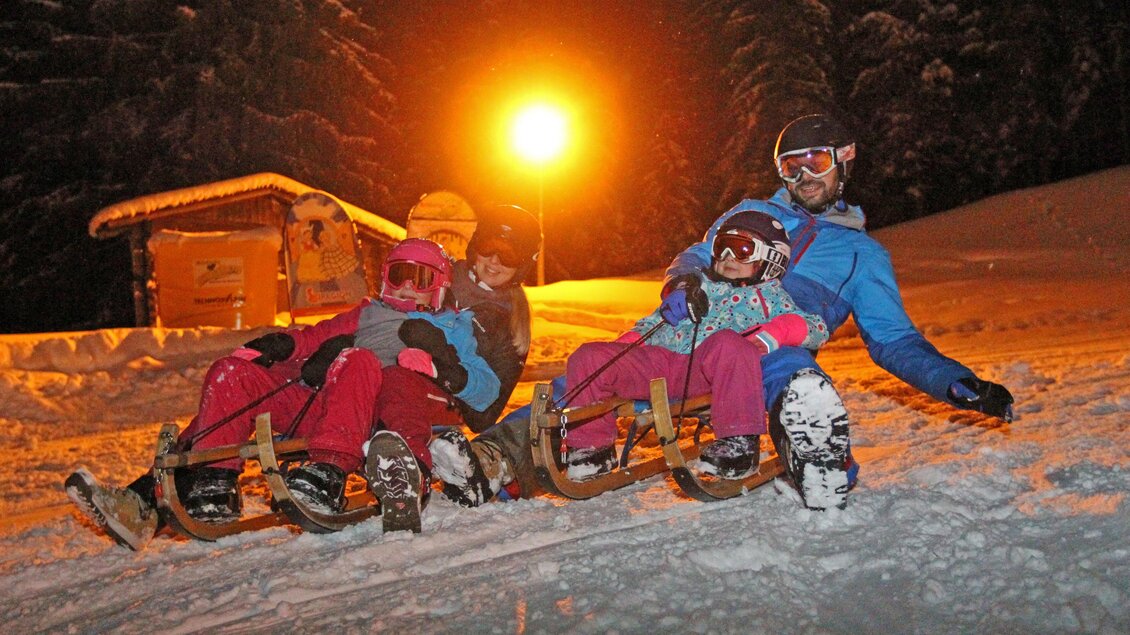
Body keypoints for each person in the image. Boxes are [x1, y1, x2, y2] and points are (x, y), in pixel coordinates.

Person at [660, 113, 1015, 509]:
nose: (805, 176)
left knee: (793, 369)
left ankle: (822, 459)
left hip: (771, 350)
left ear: (844, 161)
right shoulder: (752, 212)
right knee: (607, 363)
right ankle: (580, 428)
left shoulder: (862, 256)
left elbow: (892, 339)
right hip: (695, 337)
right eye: (793, 167)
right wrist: (682, 282)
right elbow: (698, 254)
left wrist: (950, 380)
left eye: (817, 163)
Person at [65, 238, 499, 549]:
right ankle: (202, 484)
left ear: (440, 285)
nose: (406, 287)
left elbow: (487, 391)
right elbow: (314, 338)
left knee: (357, 360)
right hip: (332, 405)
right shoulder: (367, 313)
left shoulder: (454, 327)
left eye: (420, 278)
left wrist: (440, 366)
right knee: (232, 376)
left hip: (383, 420)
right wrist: (279, 346)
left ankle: (326, 474)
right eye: (398, 275)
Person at [561, 210, 829, 481]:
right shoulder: (696, 287)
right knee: (589, 356)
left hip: (709, 371)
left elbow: (816, 328)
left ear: (771, 259)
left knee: (729, 344)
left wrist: (773, 333)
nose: (727, 257)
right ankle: (591, 448)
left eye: (742, 249)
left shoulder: (769, 295)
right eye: (721, 247)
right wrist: (622, 350)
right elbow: (647, 327)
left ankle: (739, 443)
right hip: (662, 365)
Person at [425, 206, 543, 506]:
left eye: (509, 256)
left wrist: (449, 367)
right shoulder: (438, 276)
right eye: (489, 248)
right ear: (475, 246)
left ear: (524, 265)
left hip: (442, 402)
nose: (494, 261)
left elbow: (484, 413)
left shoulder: (510, 321)